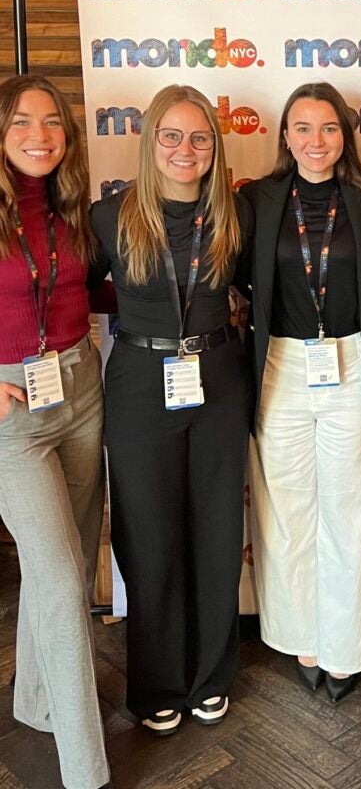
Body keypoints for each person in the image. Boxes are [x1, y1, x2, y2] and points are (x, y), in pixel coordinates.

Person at [90, 84, 252, 734]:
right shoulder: (111, 216)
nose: (186, 150)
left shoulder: (235, 218)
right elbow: (67, 291)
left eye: (200, 138)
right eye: (172, 136)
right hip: (138, 382)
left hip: (216, 380)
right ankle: (156, 681)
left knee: (215, 534)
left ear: (214, 148)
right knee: (149, 536)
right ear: (150, 141)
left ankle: (211, 676)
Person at [241, 81, 361, 703]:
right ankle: (302, 636)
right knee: (287, 515)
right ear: (284, 137)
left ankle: (348, 645)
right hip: (281, 365)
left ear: (345, 137)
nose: (315, 141)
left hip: (352, 364)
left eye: (328, 128)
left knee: (352, 513)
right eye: (301, 128)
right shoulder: (257, 200)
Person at [0, 75, 110, 788]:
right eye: (21, 124)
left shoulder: (74, 210)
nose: (39, 136)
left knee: (54, 572)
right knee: (66, 583)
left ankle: (39, 703)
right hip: (13, 416)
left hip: (81, 389)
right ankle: (84, 770)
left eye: (51, 123)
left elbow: (93, 290)